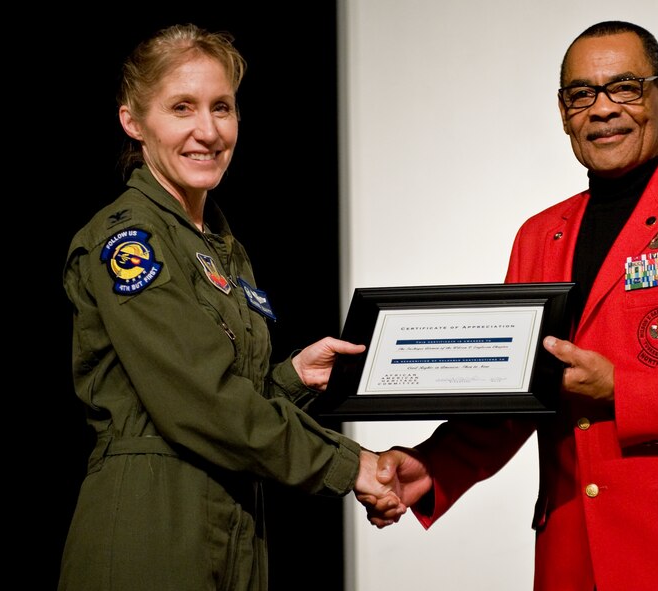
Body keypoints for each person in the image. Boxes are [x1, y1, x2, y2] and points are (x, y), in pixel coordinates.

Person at [359, 20, 658, 591]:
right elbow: (517, 393)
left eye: (624, 87)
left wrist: (622, 388)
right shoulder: (538, 236)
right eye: (582, 95)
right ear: (563, 112)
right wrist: (432, 468)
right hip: (574, 554)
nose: (603, 109)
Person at [58, 23, 403, 591]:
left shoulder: (218, 246)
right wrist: (353, 465)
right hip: (153, 529)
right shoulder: (131, 243)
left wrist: (291, 378)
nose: (208, 131)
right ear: (133, 122)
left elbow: (220, 397)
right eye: (182, 108)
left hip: (230, 521)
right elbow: (202, 406)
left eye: (223, 107)